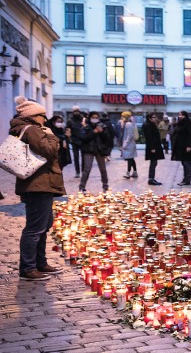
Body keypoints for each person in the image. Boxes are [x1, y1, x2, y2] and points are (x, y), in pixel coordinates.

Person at [9, 97, 65, 281]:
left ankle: (40, 263)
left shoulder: (32, 128)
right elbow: (49, 151)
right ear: (34, 116)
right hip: (37, 184)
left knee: (43, 225)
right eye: (43, 116)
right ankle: (28, 268)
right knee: (35, 228)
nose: (45, 120)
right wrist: (51, 135)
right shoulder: (33, 130)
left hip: (40, 183)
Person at [78, 111, 114, 192]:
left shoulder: (102, 126)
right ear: (90, 118)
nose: (95, 119)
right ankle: (82, 186)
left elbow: (108, 138)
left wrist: (102, 132)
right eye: (93, 117)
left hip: (99, 150)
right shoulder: (86, 127)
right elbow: (84, 138)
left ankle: (105, 185)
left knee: (103, 169)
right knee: (87, 169)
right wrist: (93, 132)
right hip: (89, 150)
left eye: (96, 118)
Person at [171, 111, 191, 186]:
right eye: (179, 115)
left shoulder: (188, 124)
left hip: (186, 147)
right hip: (180, 147)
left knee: (186, 162)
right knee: (184, 162)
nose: (180, 116)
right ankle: (185, 179)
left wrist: (189, 146)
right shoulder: (179, 124)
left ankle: (187, 179)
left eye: (182, 115)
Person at [143, 114, 165, 186]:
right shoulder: (148, 125)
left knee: (154, 163)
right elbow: (149, 137)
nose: (155, 118)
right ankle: (151, 179)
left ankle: (152, 178)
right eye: (153, 117)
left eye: (156, 117)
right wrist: (152, 147)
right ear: (149, 118)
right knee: (153, 163)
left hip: (155, 146)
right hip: (152, 147)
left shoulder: (152, 124)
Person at [119, 111, 138, 179]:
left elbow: (130, 135)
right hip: (129, 144)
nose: (122, 118)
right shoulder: (127, 123)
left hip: (129, 144)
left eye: (123, 117)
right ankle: (135, 172)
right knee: (131, 158)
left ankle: (128, 173)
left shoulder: (128, 124)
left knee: (129, 159)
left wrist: (125, 144)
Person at [67, 108, 84, 177]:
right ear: (72, 112)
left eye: (77, 111)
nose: (76, 112)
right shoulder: (70, 121)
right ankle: (77, 172)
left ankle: (83, 171)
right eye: (75, 111)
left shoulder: (83, 120)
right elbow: (67, 130)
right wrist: (68, 139)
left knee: (83, 157)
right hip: (74, 141)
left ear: (79, 111)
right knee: (76, 157)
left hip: (83, 140)